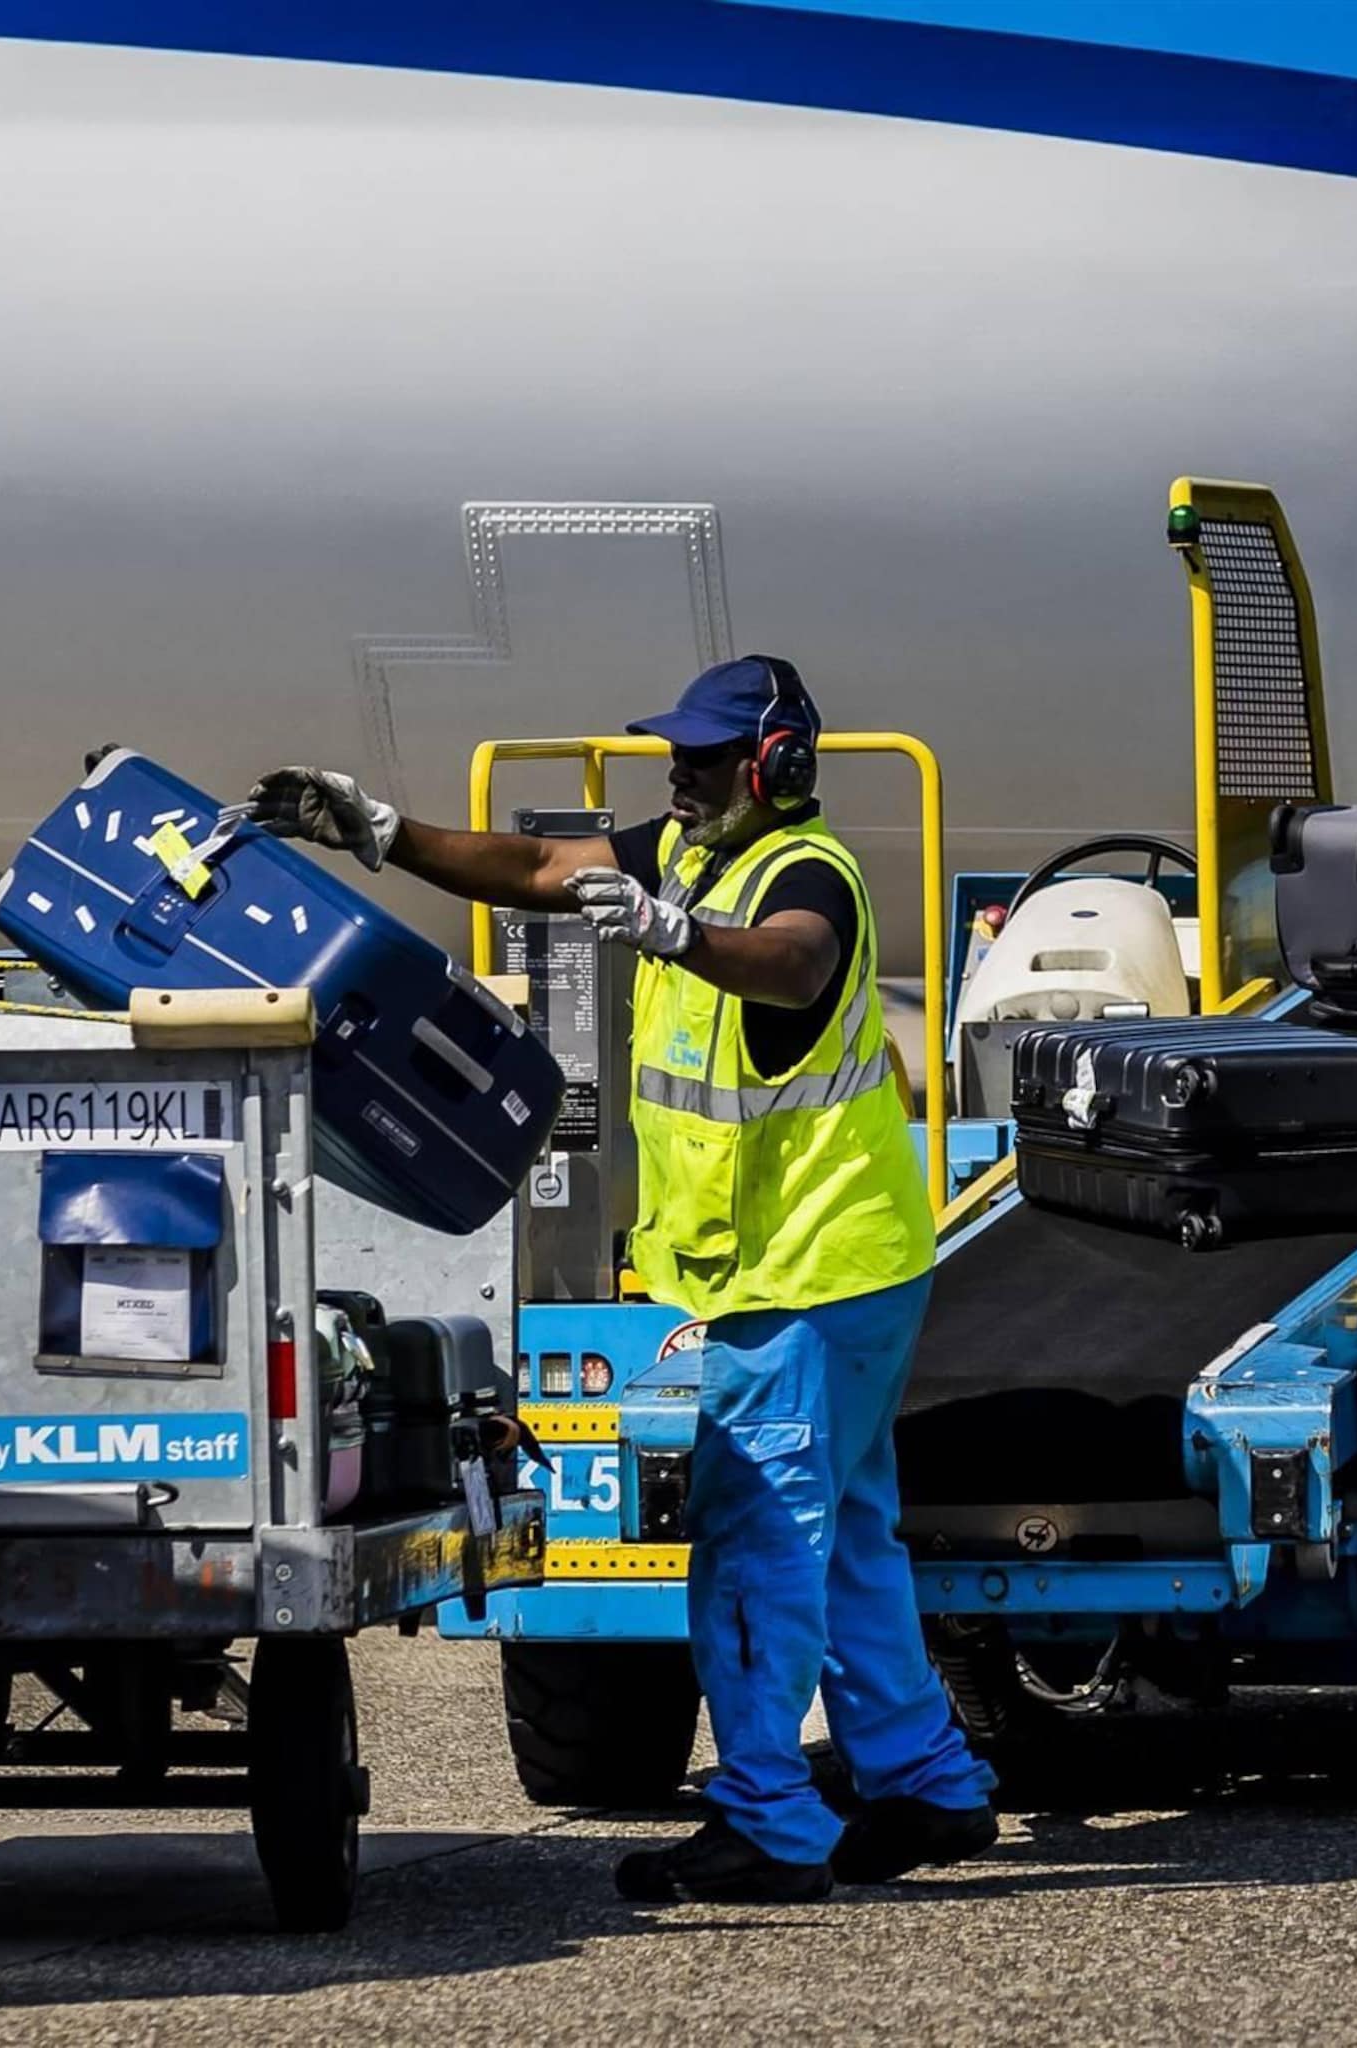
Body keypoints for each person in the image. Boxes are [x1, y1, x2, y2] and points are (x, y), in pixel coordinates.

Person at [245, 654, 998, 1903]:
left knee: (756, 1538)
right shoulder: (691, 847)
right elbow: (542, 869)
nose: (676, 775)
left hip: (809, 1271)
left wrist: (674, 933)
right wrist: (380, 832)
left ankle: (767, 1817)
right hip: (829, 1265)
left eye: (700, 759)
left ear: (773, 768)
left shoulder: (801, 875)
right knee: (848, 1531)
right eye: (674, 756)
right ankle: (926, 1783)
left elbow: (793, 964)